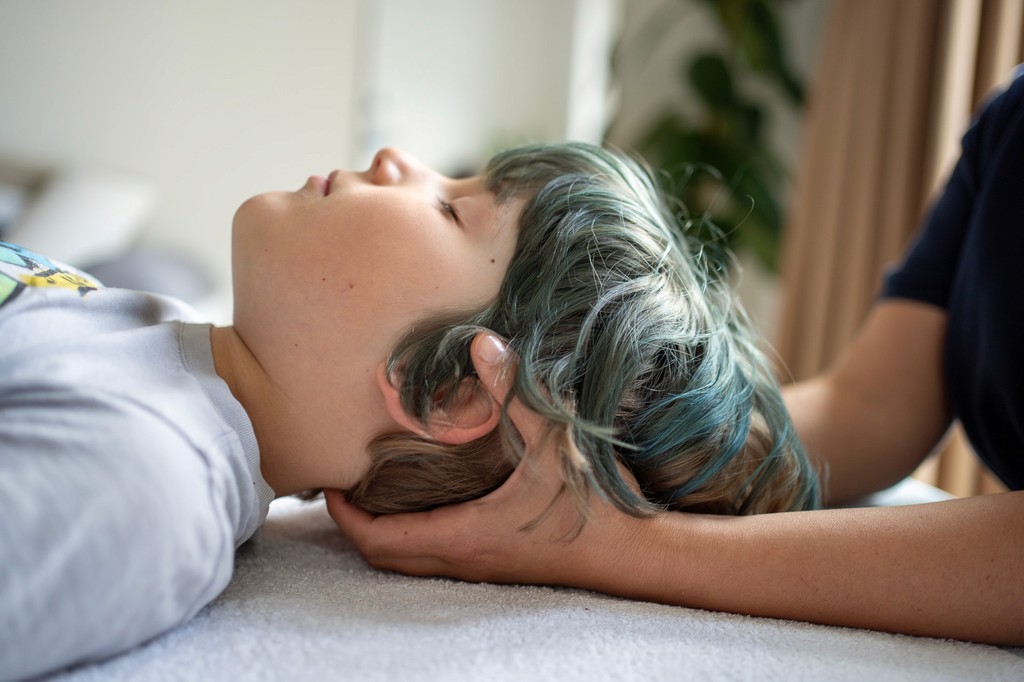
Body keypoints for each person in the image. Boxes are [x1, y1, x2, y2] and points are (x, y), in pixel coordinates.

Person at [0, 141, 817, 681]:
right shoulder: (159, 331)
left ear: (449, 390)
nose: (396, 159)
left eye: (452, 208)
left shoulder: (144, 477)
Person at [326, 71, 1024, 647]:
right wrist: (618, 441)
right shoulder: (1008, 129)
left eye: (452, 207)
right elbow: (870, 407)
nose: (394, 158)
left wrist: (618, 544)